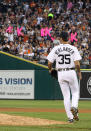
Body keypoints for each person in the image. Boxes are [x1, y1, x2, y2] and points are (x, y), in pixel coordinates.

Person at [47, 31, 82, 123]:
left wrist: (50, 70)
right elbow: (77, 63)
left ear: (60, 39)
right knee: (75, 92)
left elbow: (49, 63)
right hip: (71, 71)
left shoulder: (56, 48)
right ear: (69, 38)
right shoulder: (73, 48)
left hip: (61, 73)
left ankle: (70, 118)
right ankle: (74, 106)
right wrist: (79, 72)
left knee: (66, 96)